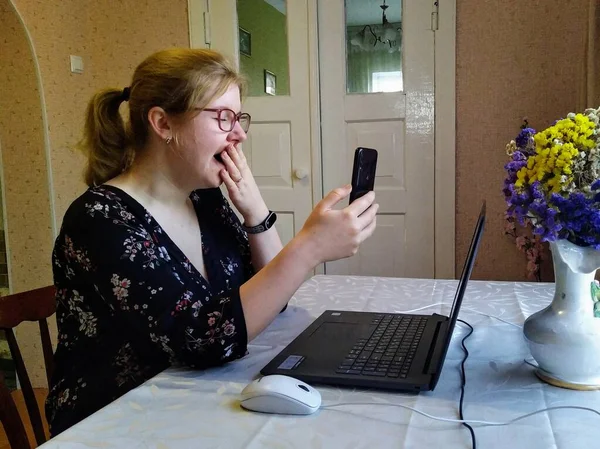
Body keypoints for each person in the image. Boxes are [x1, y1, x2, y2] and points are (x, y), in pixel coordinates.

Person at [45, 48, 378, 436]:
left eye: (239, 118)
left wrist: (255, 212)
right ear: (162, 123)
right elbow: (203, 340)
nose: (239, 133)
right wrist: (309, 248)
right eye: (223, 117)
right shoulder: (101, 219)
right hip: (115, 425)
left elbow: (272, 298)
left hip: (194, 403)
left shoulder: (204, 199)